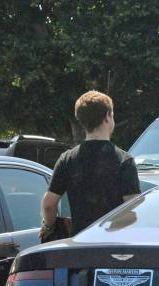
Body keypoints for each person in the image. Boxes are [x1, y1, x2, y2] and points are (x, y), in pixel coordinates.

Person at [40, 90, 141, 239]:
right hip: (112, 245)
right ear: (107, 116)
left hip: (79, 245)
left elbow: (49, 205)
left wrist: (48, 226)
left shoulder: (67, 159)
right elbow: (131, 210)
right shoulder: (124, 161)